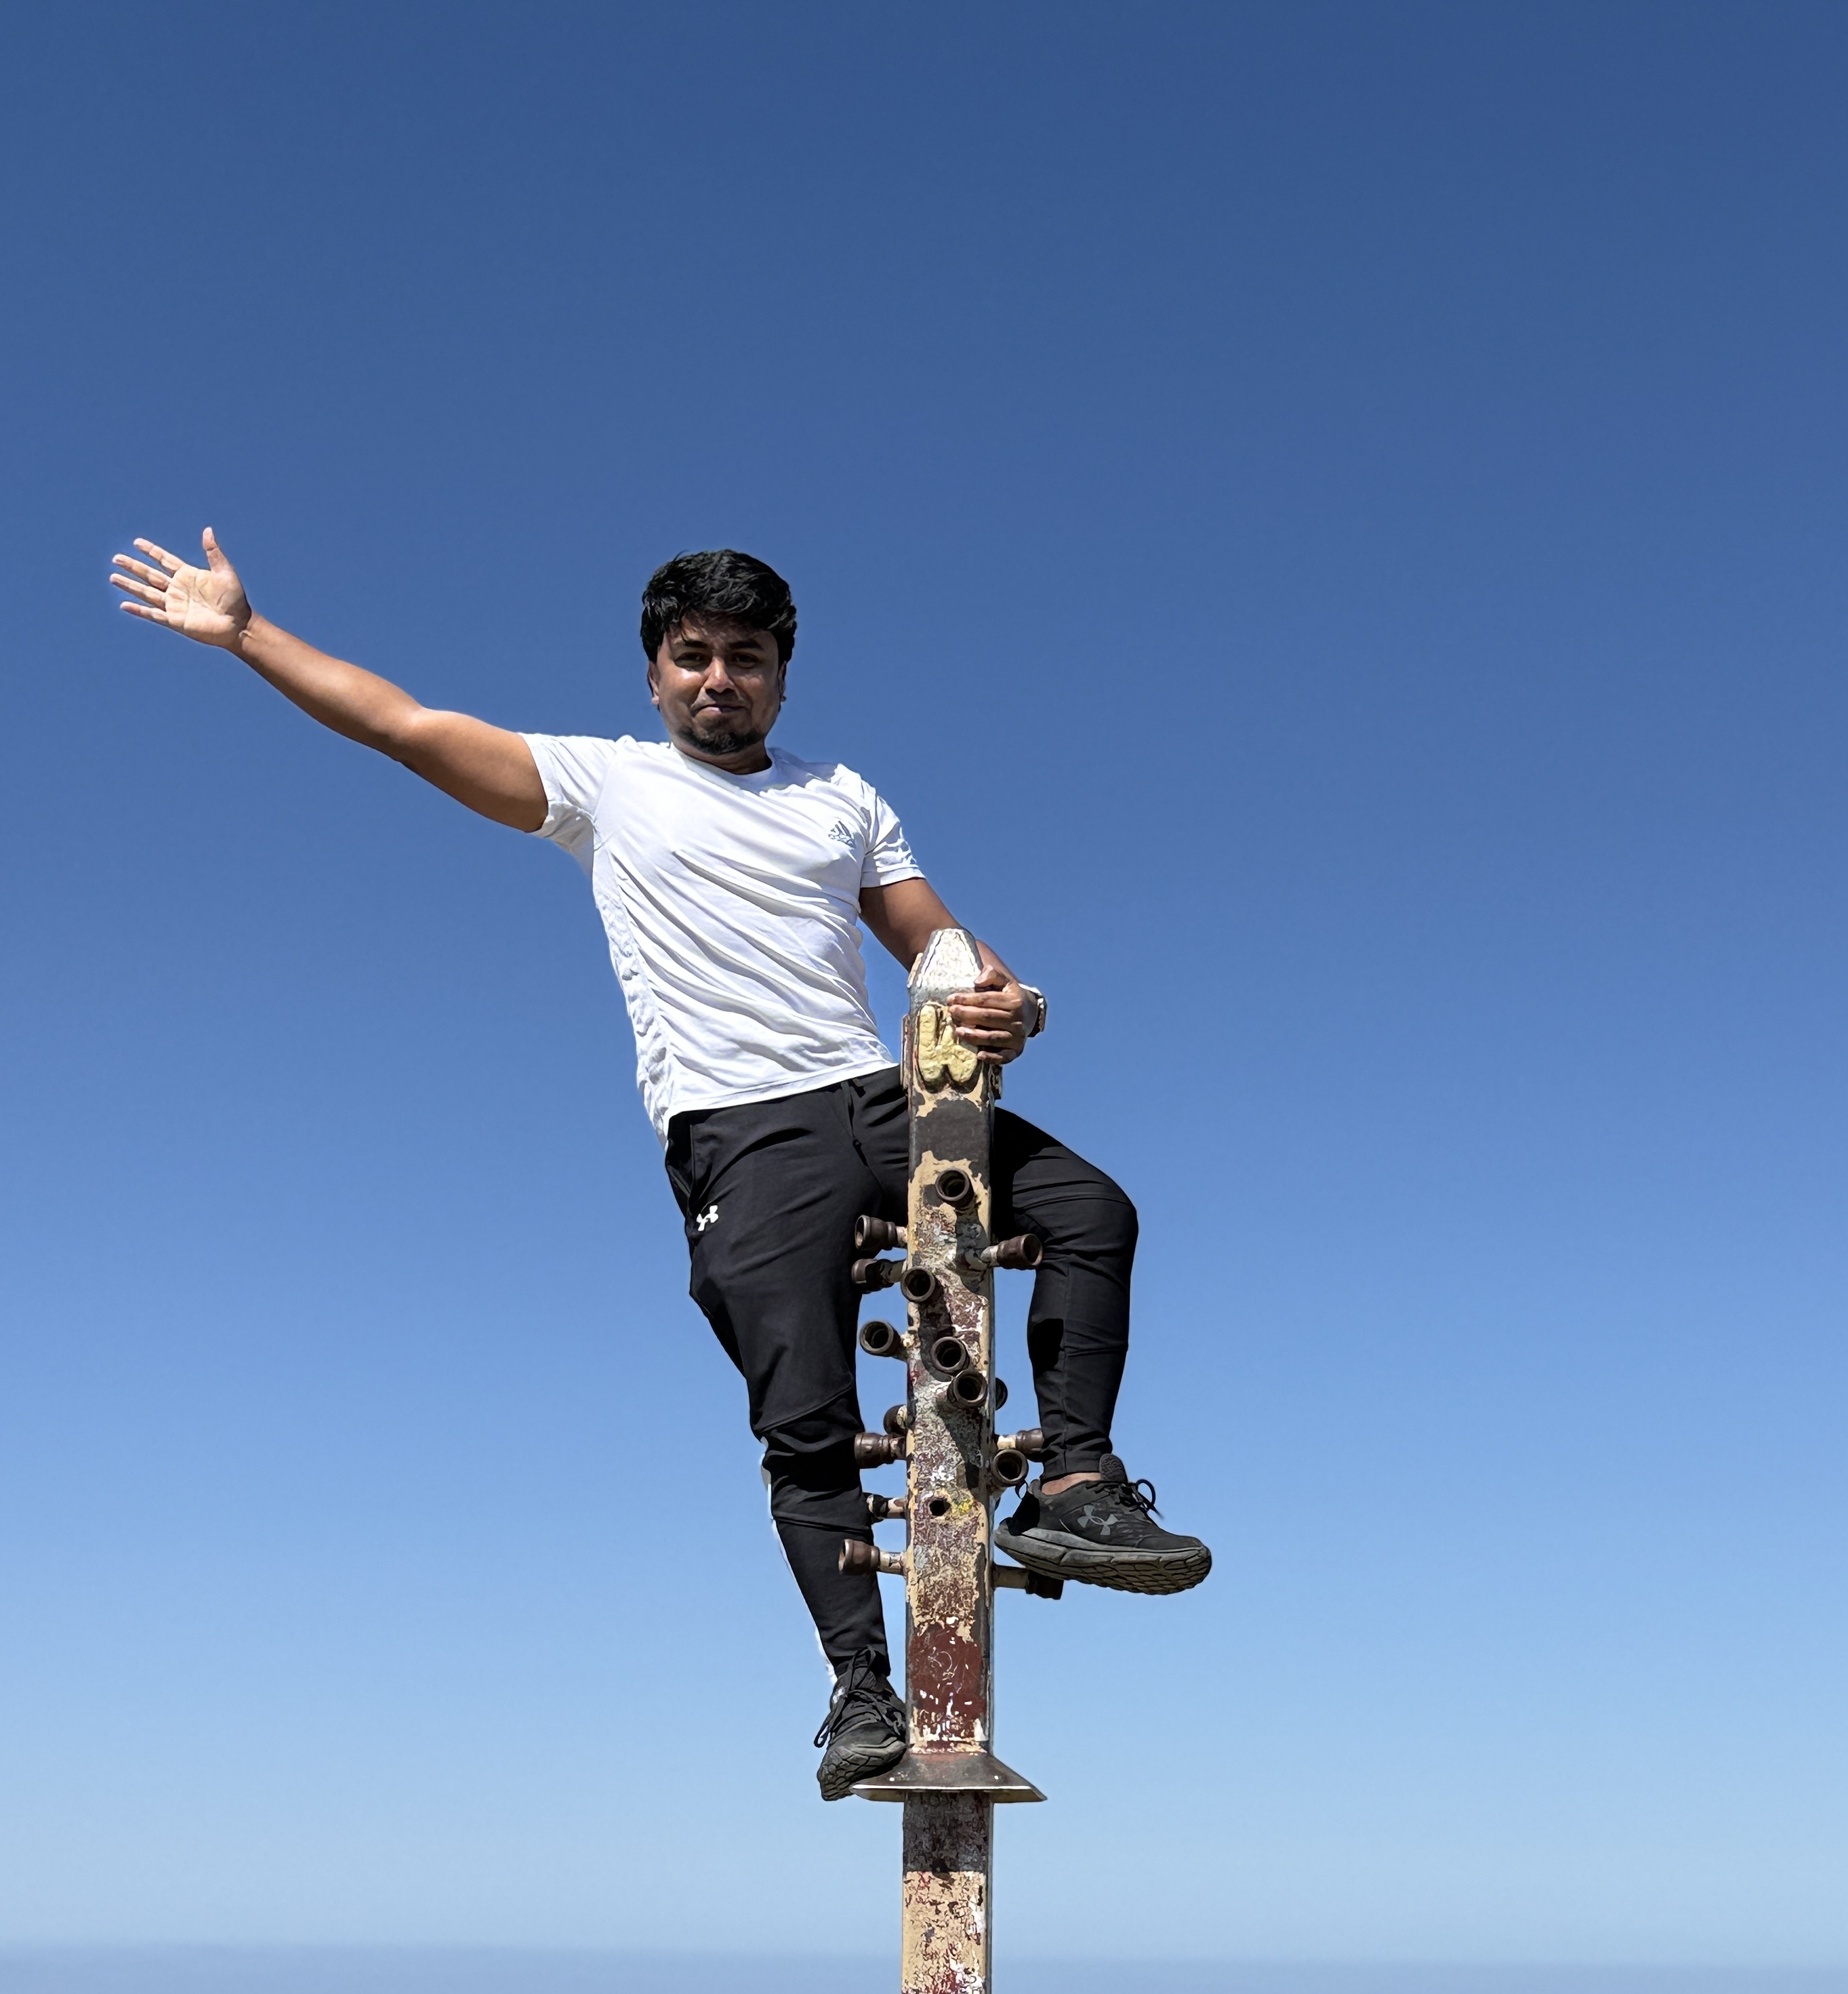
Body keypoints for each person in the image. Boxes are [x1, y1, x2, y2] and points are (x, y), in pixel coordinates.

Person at [109, 535, 1212, 1796]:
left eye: (746, 657)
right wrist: (248, 633)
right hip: (740, 1130)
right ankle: (862, 1690)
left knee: (1090, 1209)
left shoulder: (843, 796)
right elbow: (404, 727)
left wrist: (1015, 1003)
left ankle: (1073, 1483)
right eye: (693, 657)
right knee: (804, 1415)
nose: (718, 679)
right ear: (654, 675)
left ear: (782, 675)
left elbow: (943, 950)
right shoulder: (605, 784)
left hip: (876, 1096)